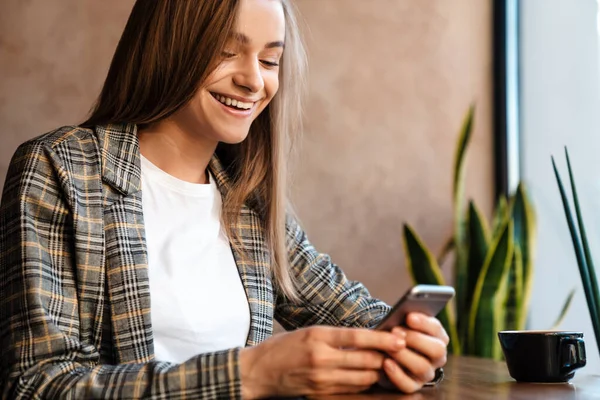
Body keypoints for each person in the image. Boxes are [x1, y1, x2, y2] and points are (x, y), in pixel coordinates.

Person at [0, 0, 449, 398]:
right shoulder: (61, 168)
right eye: (226, 51)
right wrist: (251, 374)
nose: (254, 81)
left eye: (271, 60)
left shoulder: (248, 197)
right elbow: (37, 383)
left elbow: (356, 314)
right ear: (171, 47)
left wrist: (413, 343)